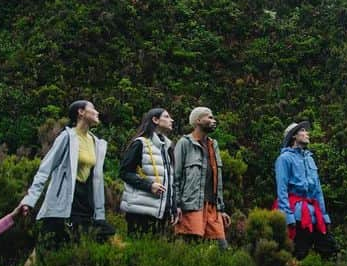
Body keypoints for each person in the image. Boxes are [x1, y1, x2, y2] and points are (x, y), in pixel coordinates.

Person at [19, 100, 113, 250]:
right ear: (81, 112)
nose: (97, 112)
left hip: (86, 202)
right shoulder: (67, 137)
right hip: (63, 202)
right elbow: (45, 169)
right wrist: (30, 200)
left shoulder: (96, 142)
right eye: (93, 109)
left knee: (88, 243)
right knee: (45, 249)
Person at [275, 121, 338, 259]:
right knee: (300, 252)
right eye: (303, 131)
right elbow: (282, 190)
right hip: (297, 214)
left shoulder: (310, 159)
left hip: (315, 214)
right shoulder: (284, 159)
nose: (307, 133)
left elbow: (318, 191)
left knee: (330, 249)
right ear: (293, 137)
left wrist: (324, 215)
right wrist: (288, 216)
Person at [173, 106, 229, 247]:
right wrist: (177, 205)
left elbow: (218, 179)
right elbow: (176, 176)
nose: (213, 120)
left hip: (212, 207)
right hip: (191, 206)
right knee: (191, 245)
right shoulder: (185, 143)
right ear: (198, 120)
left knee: (221, 246)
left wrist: (221, 209)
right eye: (209, 117)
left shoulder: (213, 144)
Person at [119, 108, 176, 237]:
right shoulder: (140, 144)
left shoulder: (167, 148)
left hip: (162, 213)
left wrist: (173, 209)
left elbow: (171, 182)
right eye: (166, 117)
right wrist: (149, 185)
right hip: (140, 212)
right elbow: (124, 172)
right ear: (155, 120)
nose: (171, 120)